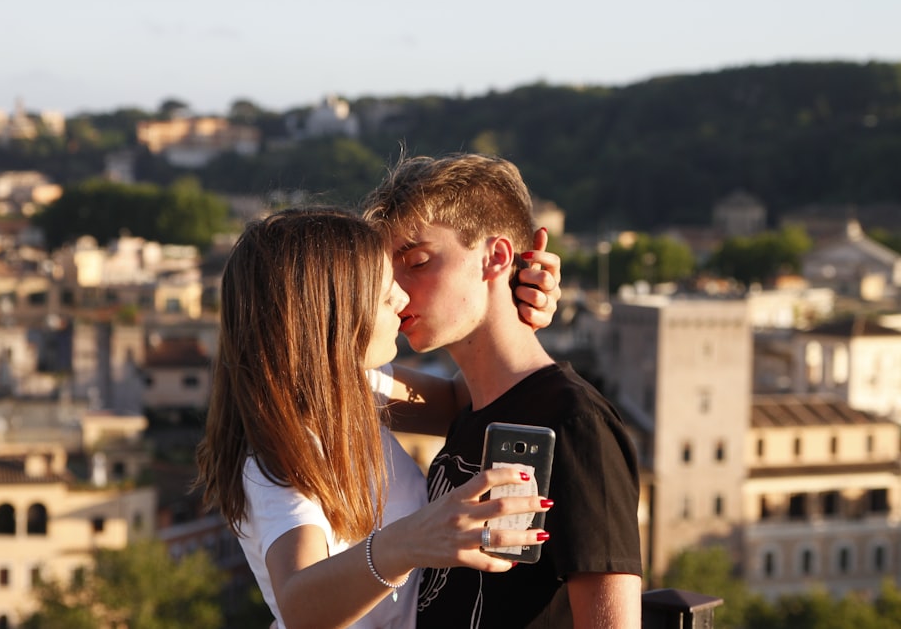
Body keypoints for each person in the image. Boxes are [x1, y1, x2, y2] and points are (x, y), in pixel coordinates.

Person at [194, 208, 558, 629]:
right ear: (332, 319)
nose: (403, 299)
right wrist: (411, 542)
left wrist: (509, 305)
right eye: (386, 296)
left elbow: (465, 397)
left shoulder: (357, 386)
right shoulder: (281, 459)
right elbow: (298, 603)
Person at [364, 154, 643, 629]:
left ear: (495, 257)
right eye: (388, 271)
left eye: (416, 261)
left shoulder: (574, 422)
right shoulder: (471, 407)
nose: (396, 290)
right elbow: (330, 384)